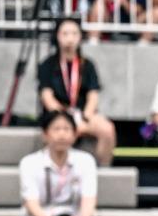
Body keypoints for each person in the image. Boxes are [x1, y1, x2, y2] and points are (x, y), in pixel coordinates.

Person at [37, 17, 115, 165]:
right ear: (57, 36)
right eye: (65, 34)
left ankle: (104, 170)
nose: (70, 38)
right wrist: (66, 119)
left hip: (83, 114)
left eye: (74, 33)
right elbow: (47, 96)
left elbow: (93, 95)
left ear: (80, 37)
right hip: (58, 115)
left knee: (107, 129)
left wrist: (85, 116)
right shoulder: (47, 65)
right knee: (59, 128)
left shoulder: (88, 65)